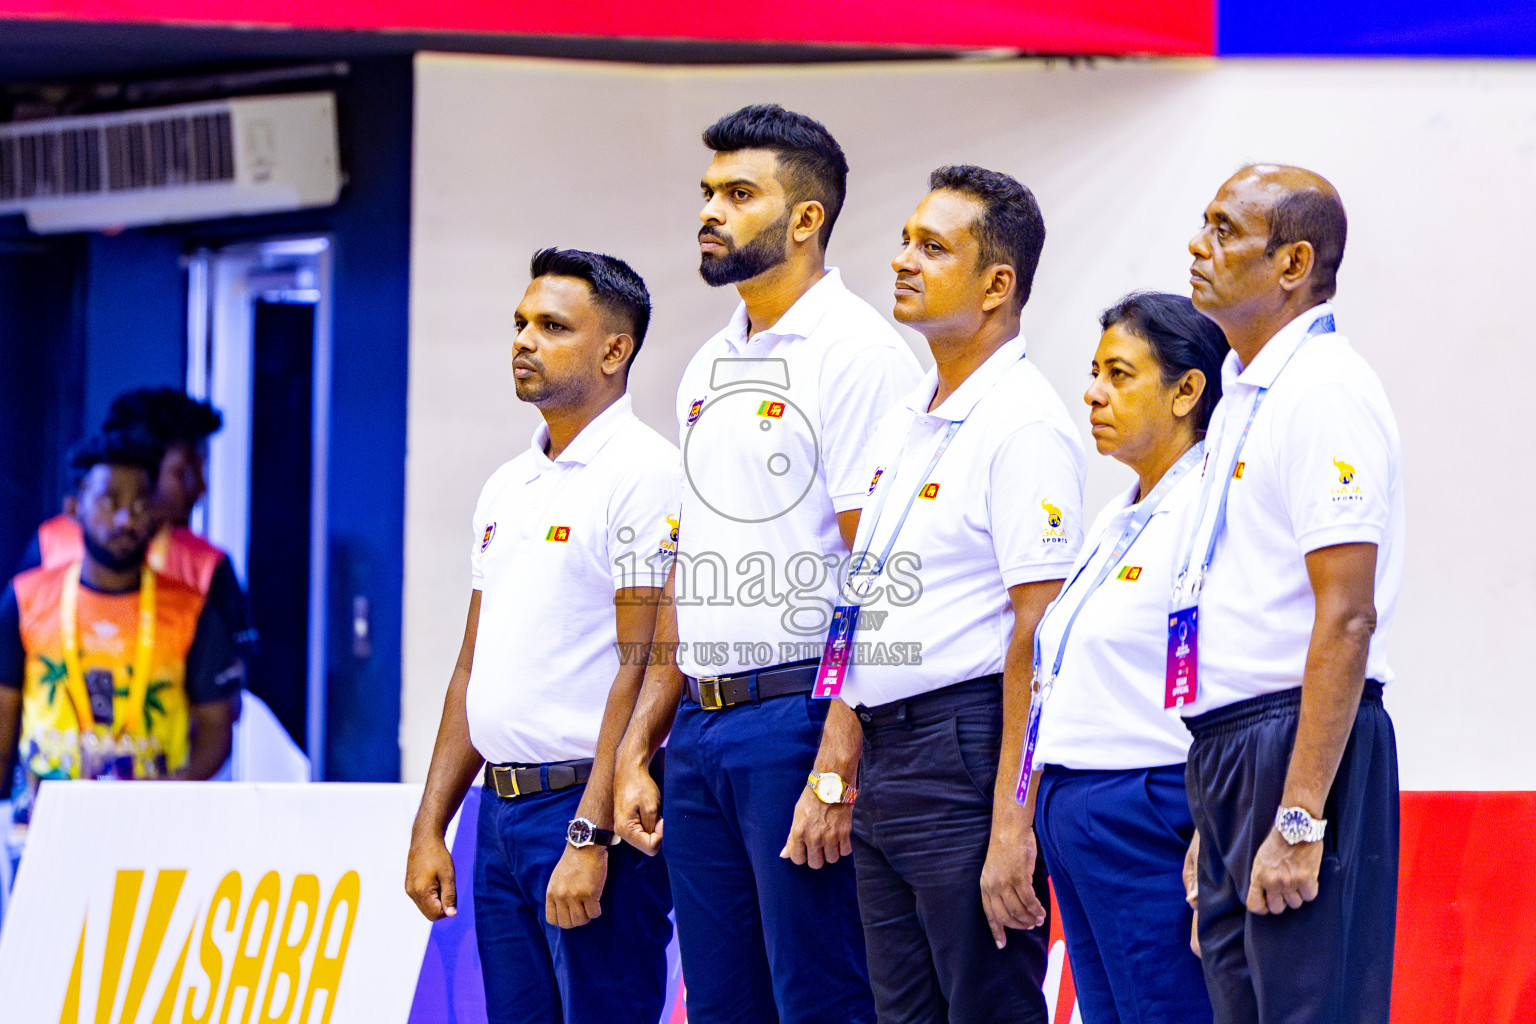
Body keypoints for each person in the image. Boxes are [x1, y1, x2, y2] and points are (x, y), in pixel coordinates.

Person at [612, 104, 920, 1024]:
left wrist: (836, 758)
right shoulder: (706, 364)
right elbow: (691, 571)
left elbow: (876, 571)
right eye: (708, 191)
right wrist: (639, 745)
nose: (710, 209)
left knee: (820, 998)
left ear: (805, 220)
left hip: (798, 721)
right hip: (701, 733)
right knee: (721, 1005)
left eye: (739, 193)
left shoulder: (860, 354)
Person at [824, 165, 1083, 1023]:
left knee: (985, 1005)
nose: (902, 259)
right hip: (889, 754)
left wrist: (1015, 820)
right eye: (905, 240)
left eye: (932, 248)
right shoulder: (908, 415)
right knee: (902, 1014)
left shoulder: (1024, 424)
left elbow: (1038, 633)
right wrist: (841, 753)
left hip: (967, 748)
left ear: (997, 285)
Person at [405, 248, 678, 1024]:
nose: (524, 340)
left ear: (614, 351)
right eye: (520, 323)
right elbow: (472, 667)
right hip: (500, 816)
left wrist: (590, 834)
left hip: (583, 813)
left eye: (552, 326)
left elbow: (647, 663)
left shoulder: (644, 472)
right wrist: (434, 827)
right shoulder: (506, 484)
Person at [1177, 165, 1403, 1024]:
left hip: (1298, 736)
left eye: (1225, 230)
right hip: (1234, 746)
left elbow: (1347, 614)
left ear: (1293, 262)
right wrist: (1216, 810)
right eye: (1202, 224)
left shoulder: (1325, 391)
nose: (1198, 246)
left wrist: (1301, 813)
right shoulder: (1244, 394)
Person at [1027, 292, 1226, 1024]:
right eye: (1093, 371)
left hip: (1147, 805)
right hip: (1075, 806)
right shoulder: (1119, 515)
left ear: (1186, 391)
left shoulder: (1208, 509)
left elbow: (1224, 677)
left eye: (1120, 374)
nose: (1093, 392)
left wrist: (1215, 823)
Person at [0, 429, 243, 832]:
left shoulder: (190, 609)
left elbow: (218, 726)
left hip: (153, 837)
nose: (125, 519)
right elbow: (4, 714)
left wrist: (173, 793)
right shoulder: (25, 599)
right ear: (75, 508)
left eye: (139, 504)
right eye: (109, 502)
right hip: (41, 834)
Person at [18, 388, 257, 668]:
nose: (200, 490)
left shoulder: (206, 564)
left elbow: (226, 690)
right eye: (184, 473)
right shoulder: (50, 543)